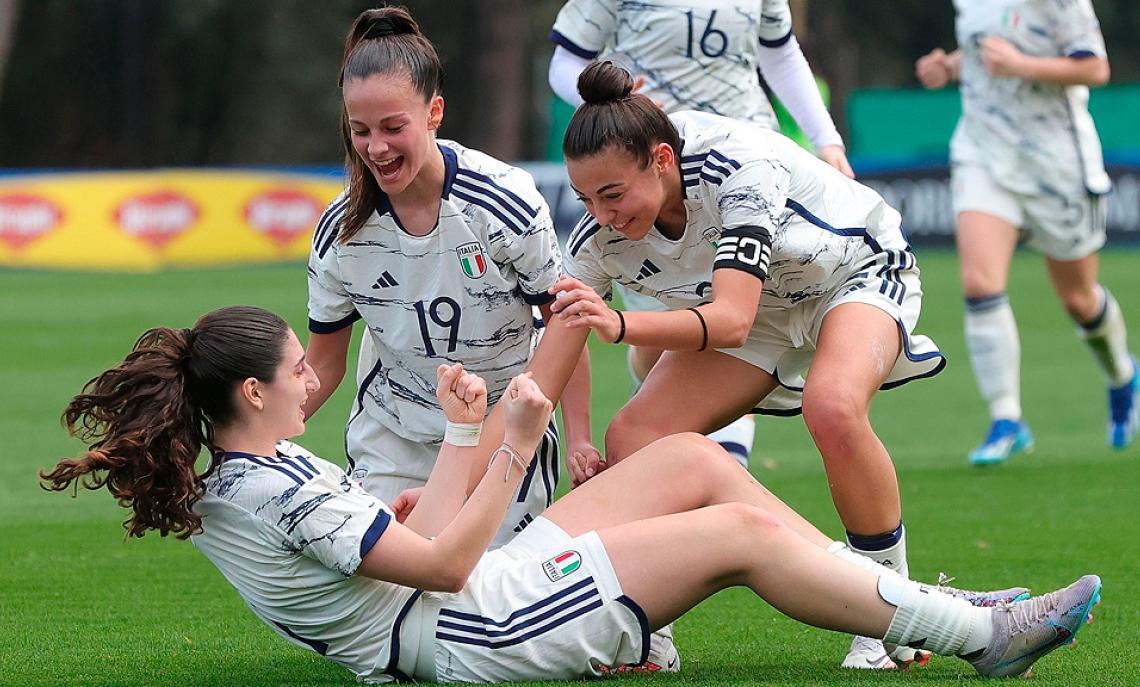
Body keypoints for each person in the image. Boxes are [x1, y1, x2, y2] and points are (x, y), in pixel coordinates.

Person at [40, 304, 1098, 683]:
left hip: (458, 603)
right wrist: (515, 439)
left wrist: (461, 431)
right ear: (259, 391)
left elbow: (431, 535)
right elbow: (451, 563)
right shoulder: (278, 493)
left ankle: (914, 613)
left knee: (688, 462)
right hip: (472, 637)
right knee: (729, 523)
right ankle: (976, 635)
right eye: (301, 365)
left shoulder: (254, 473)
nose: (318, 374)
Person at [550, 60, 949, 669]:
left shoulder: (737, 168)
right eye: (585, 199)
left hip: (852, 272)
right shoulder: (597, 235)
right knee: (634, 437)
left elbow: (731, 319)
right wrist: (576, 435)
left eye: (612, 195)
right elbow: (561, 339)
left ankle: (895, 620)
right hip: (760, 308)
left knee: (833, 407)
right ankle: (649, 633)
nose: (601, 214)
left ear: (661, 160)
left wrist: (624, 324)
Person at [304, 7, 598, 548]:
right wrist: (252, 439)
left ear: (434, 111)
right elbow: (323, 361)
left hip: (503, 434)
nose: (377, 148)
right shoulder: (339, 232)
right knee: (386, 597)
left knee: (490, 606)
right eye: (360, 130)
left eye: (394, 127)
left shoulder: (504, 204)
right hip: (396, 437)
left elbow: (564, 326)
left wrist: (579, 436)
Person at [548, 0, 853, 470]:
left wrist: (826, 140)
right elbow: (565, 62)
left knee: (728, 326)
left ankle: (719, 496)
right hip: (644, 180)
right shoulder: (611, 213)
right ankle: (665, 438)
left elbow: (779, 52)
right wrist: (622, 112)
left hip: (739, 183)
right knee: (661, 360)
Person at [915, 0, 1137, 463]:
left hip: (1056, 162)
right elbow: (983, 48)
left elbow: (1095, 68)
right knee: (980, 284)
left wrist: (1020, 65)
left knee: (1079, 299)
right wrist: (950, 67)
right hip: (983, 152)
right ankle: (1007, 419)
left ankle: (1121, 376)